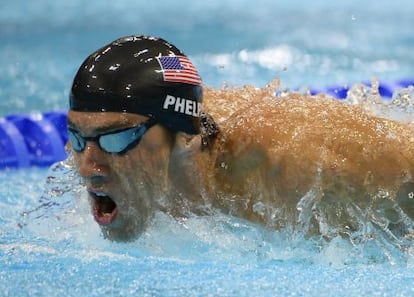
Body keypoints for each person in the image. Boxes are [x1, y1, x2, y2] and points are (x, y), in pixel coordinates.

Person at [68, 35, 414, 242]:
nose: (87, 168)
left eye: (116, 139)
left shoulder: (298, 169)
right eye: (78, 138)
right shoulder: (103, 163)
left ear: (186, 138)